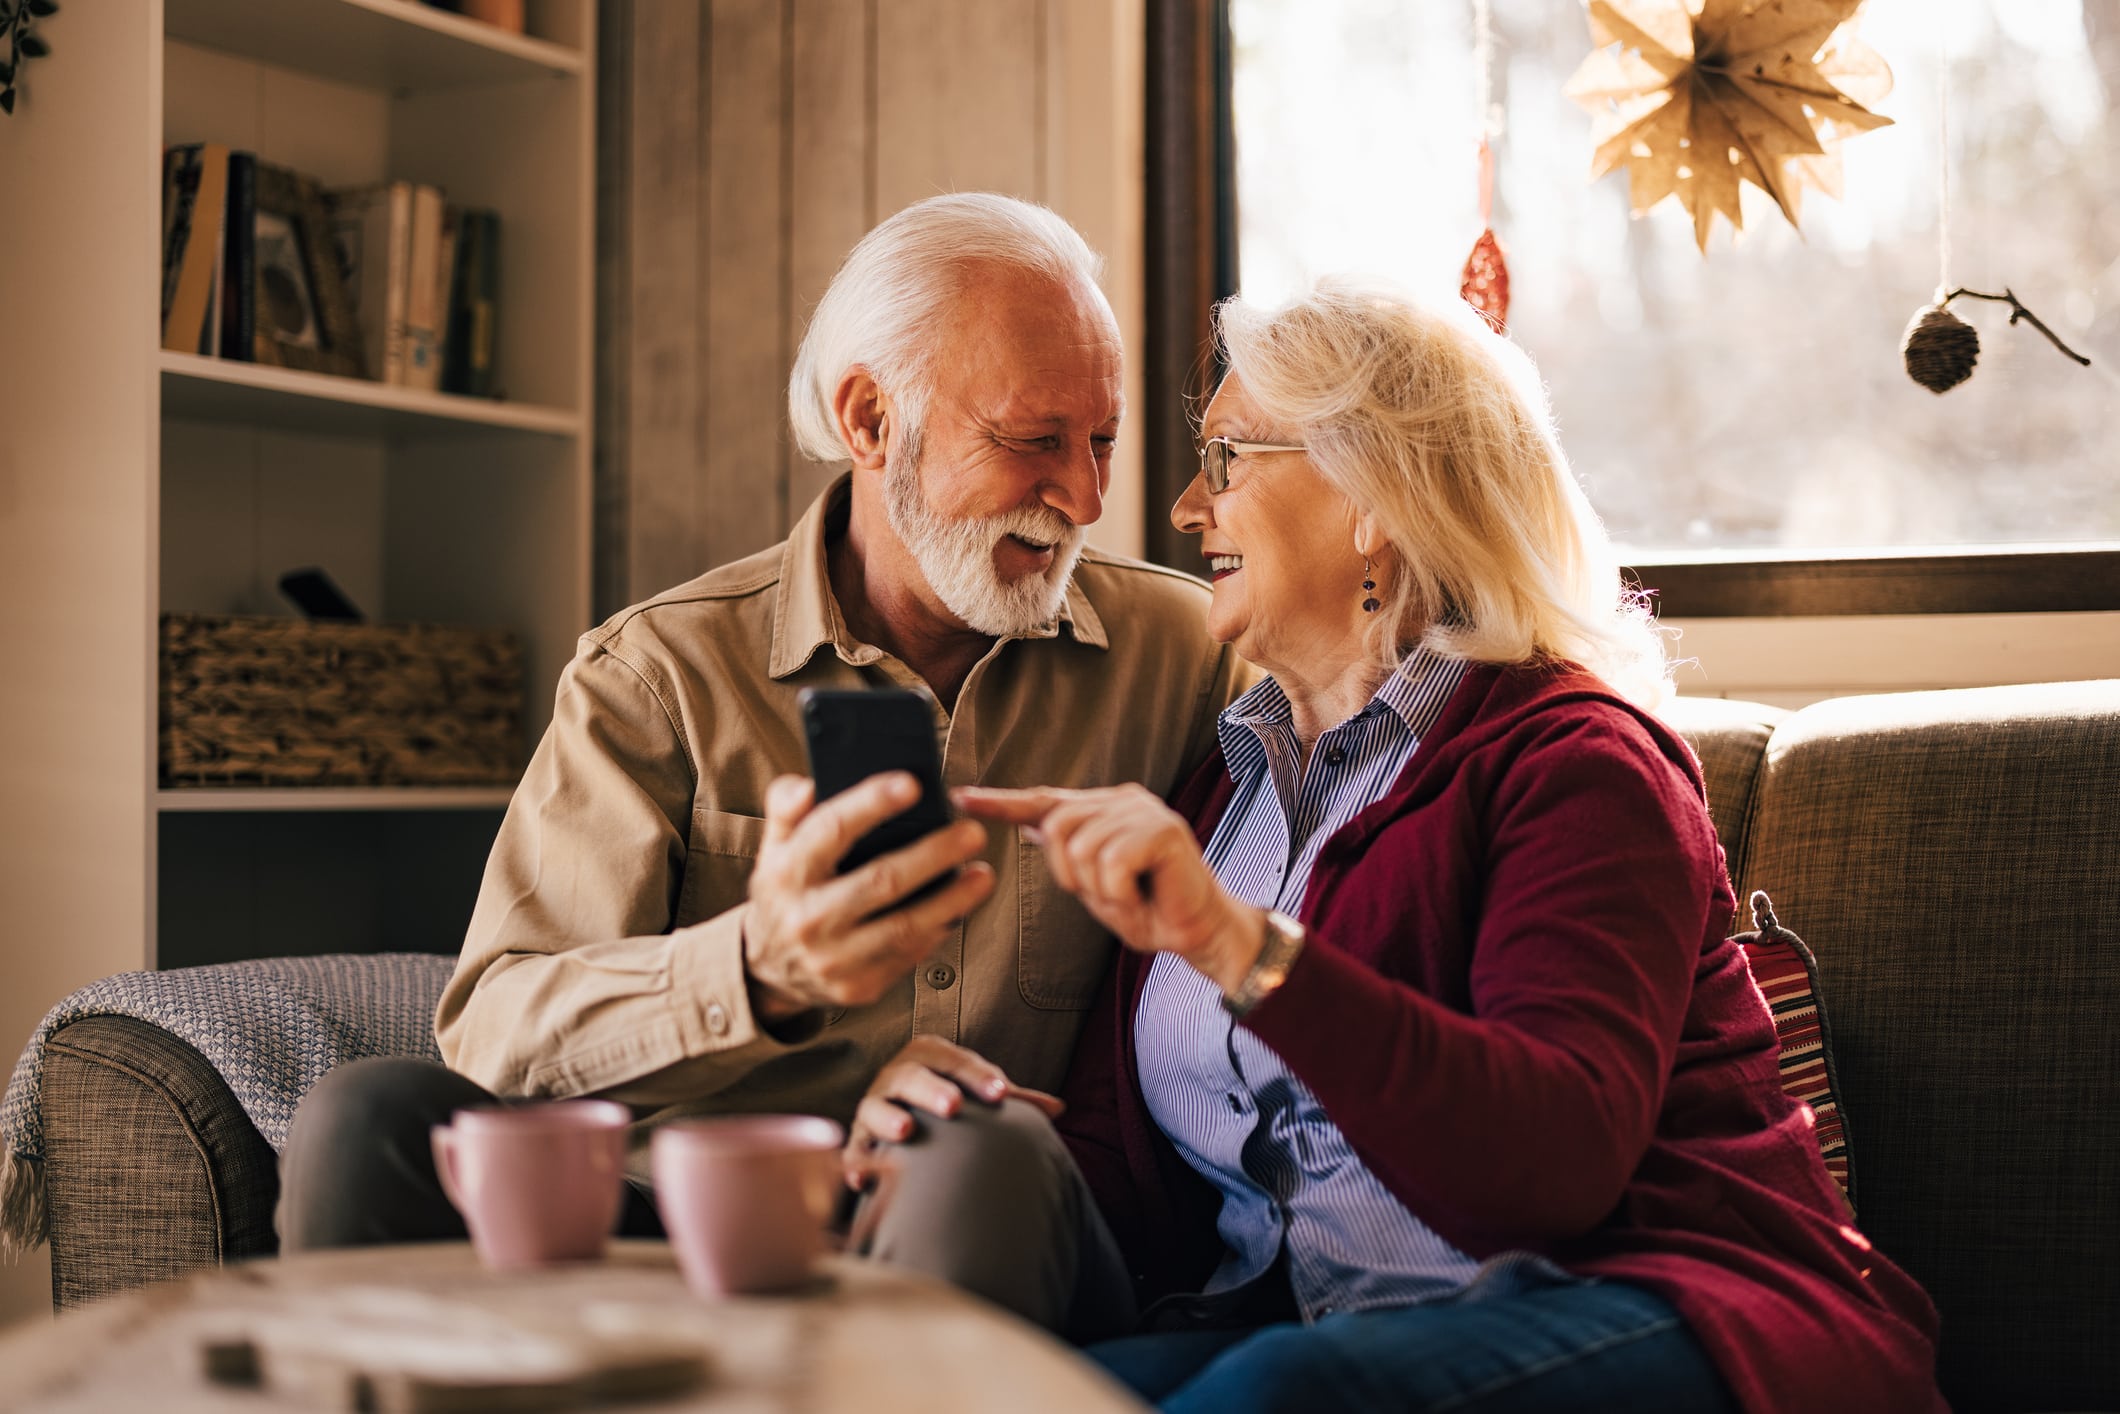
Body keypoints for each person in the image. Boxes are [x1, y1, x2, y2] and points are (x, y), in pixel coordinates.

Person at [896, 279, 1944, 1411]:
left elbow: (1551, 1163)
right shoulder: (1223, 792)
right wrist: (950, 1124)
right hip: (1316, 1330)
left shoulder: (1575, 765)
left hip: (1653, 1304)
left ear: (1369, 496)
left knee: (1277, 1395)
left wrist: (1236, 945)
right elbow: (1126, 1175)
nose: (1187, 507)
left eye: (1227, 457)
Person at [274, 194, 1250, 1278]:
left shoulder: (1187, 655)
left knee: (972, 1146)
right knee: (369, 1116)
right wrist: (758, 970)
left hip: (981, 1214)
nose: (1083, 495)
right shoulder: (658, 675)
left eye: (1102, 439)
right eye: (1032, 441)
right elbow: (499, 1033)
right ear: (870, 422)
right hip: (680, 1227)